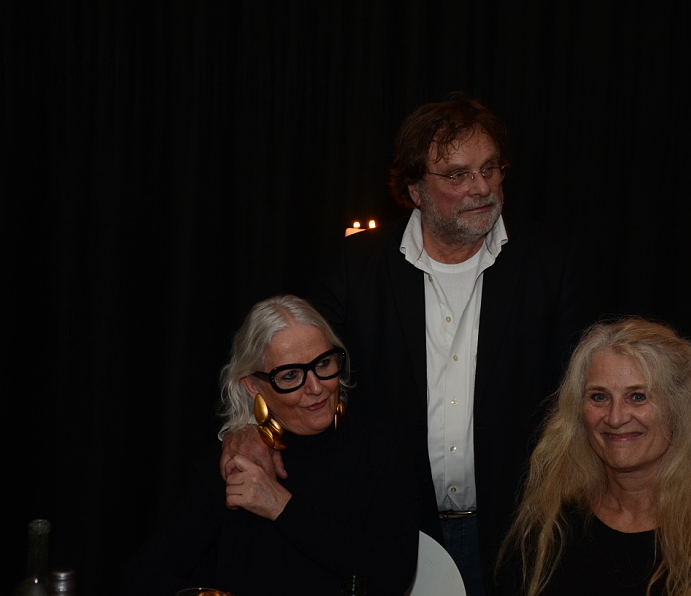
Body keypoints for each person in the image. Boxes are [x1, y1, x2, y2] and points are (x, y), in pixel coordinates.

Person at [221, 92, 592, 596]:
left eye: (490, 169)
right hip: (388, 535)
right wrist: (246, 427)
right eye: (458, 175)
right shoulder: (357, 268)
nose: (482, 187)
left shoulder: (551, 263)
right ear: (415, 189)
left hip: (518, 532)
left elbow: (582, 393)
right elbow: (288, 365)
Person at [123, 295, 420, 596]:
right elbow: (143, 576)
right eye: (290, 375)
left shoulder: (382, 447)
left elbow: (391, 574)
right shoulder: (233, 464)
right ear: (252, 386)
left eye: (323, 363)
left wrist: (280, 505)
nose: (316, 387)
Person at [498, 317, 691, 595]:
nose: (615, 417)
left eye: (638, 397)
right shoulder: (549, 526)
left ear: (679, 409)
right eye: (599, 397)